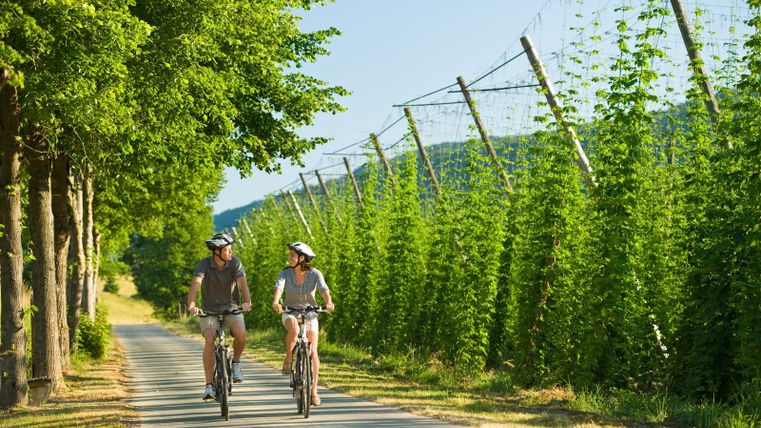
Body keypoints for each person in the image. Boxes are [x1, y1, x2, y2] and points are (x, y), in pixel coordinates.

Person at [187, 232, 252, 401]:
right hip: (209, 311)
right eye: (227, 250)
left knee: (241, 334)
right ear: (217, 252)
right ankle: (209, 385)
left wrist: (247, 302)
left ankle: (236, 363)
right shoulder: (203, 265)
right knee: (210, 339)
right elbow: (196, 284)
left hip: (231, 308)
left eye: (231, 250)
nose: (230, 253)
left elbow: (242, 283)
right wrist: (192, 304)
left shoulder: (235, 263)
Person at [272, 242, 334, 406]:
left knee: (313, 351)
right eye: (290, 255)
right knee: (294, 328)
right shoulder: (285, 273)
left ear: (302, 258)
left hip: (310, 313)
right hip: (290, 312)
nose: (289, 258)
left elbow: (323, 289)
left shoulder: (315, 274)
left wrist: (328, 302)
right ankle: (288, 357)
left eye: (292, 255)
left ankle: (314, 391)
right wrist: (276, 302)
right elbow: (279, 288)